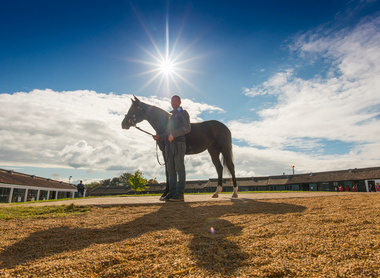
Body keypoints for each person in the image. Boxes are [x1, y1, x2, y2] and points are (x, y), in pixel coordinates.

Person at [153, 95, 191, 202]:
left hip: (178, 144)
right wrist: (159, 137)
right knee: (170, 169)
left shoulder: (183, 113)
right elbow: (167, 132)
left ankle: (180, 194)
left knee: (179, 167)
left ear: (180, 102)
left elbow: (187, 128)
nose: (173, 102)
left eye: (175, 100)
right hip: (168, 145)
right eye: (172, 101)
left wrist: (174, 134)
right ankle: (172, 192)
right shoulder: (171, 116)